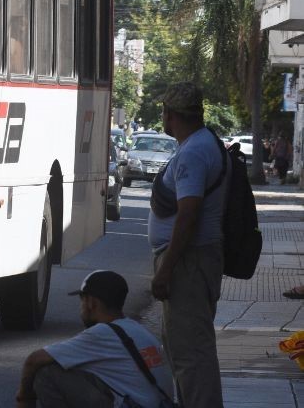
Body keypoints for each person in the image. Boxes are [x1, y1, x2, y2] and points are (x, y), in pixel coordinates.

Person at [148, 82, 224, 406]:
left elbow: (188, 216)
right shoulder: (200, 144)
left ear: (172, 114)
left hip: (187, 265)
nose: (162, 116)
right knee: (186, 350)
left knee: (191, 356)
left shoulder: (193, 152)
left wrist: (166, 270)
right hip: (193, 263)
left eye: (163, 110)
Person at [17, 270, 174, 408]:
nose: (81, 307)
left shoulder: (101, 333)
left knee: (46, 373)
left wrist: (23, 397)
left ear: (91, 302)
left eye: (82, 300)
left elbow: (34, 360)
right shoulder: (137, 330)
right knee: (73, 365)